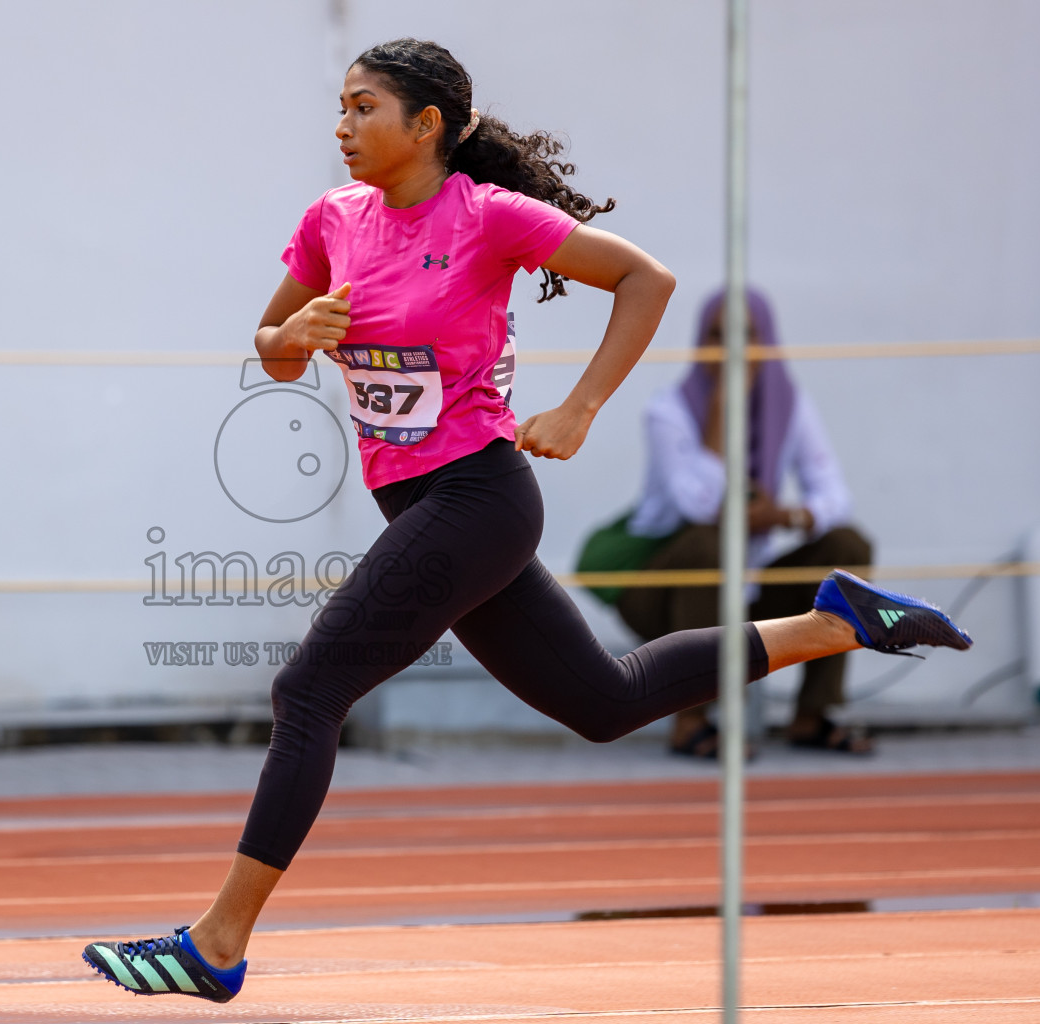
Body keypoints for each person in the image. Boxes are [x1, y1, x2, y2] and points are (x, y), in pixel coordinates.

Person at [81, 38, 970, 1002]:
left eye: (363, 107)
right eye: (339, 107)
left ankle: (215, 945)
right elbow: (273, 346)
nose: (341, 126)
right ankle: (838, 621)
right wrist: (287, 339)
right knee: (605, 701)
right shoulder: (332, 220)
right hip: (420, 503)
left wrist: (580, 407)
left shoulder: (488, 216)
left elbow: (646, 280)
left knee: (309, 690)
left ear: (427, 125)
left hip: (480, 497)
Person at [616, 288, 876, 756]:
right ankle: (692, 720)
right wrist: (718, 416)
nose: (731, 350)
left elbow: (836, 495)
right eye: (718, 335)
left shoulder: (789, 404)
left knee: (848, 546)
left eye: (745, 335)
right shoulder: (669, 411)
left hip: (746, 589)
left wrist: (786, 515)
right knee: (706, 543)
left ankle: (812, 715)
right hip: (663, 591)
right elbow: (697, 506)